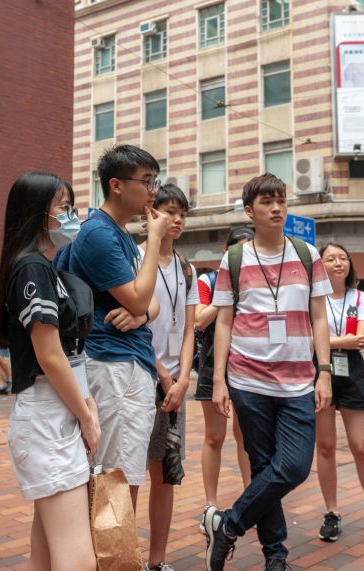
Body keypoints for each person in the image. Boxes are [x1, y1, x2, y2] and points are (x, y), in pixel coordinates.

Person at [202, 173, 333, 571]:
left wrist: (323, 371)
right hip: (247, 380)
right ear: (249, 210)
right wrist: (220, 380)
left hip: (297, 381)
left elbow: (320, 318)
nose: (276, 208)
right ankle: (275, 555)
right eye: (266, 202)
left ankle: (228, 525)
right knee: (262, 466)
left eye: (281, 200)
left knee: (293, 466)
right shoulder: (235, 259)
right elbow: (223, 321)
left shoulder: (307, 254)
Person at [57, 144, 170, 507]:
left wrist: (141, 313)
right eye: (147, 181)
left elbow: (149, 303)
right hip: (112, 363)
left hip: (126, 363)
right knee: (114, 480)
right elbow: (140, 297)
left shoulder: (116, 233)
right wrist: (154, 237)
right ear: (117, 185)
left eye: (155, 181)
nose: (154, 191)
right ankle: (109, 560)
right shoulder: (99, 234)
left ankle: (109, 555)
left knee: (123, 473)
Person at [0, 171, 98, 571]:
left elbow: (64, 356)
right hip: (47, 415)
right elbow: (50, 355)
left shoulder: (40, 268)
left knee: (48, 549)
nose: (71, 217)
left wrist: (84, 406)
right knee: (78, 558)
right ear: (38, 214)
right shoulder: (31, 270)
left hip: (54, 413)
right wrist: (87, 415)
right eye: (64, 208)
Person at [314, 242, 364, 543]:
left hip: (352, 375)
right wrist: (339, 340)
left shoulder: (359, 297)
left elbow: (361, 339)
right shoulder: (314, 297)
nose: (338, 263)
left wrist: (327, 339)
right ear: (320, 265)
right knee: (325, 447)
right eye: (330, 258)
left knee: (360, 447)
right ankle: (331, 512)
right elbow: (309, 340)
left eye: (343, 258)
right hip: (320, 372)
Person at [141, 183, 199, 571]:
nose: (176, 220)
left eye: (181, 213)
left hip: (174, 388)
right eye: (168, 211)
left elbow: (190, 329)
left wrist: (182, 379)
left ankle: (156, 561)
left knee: (165, 475)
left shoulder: (187, 268)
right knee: (126, 470)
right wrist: (163, 375)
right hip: (141, 378)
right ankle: (117, 554)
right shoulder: (137, 259)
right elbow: (132, 325)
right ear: (151, 213)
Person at [195, 226, 254, 511]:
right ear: (225, 251)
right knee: (214, 436)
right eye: (237, 249)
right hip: (212, 365)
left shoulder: (257, 281)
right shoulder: (208, 279)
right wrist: (229, 291)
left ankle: (250, 497)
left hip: (248, 366)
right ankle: (210, 503)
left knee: (246, 436)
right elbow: (200, 320)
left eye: (248, 249)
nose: (242, 256)